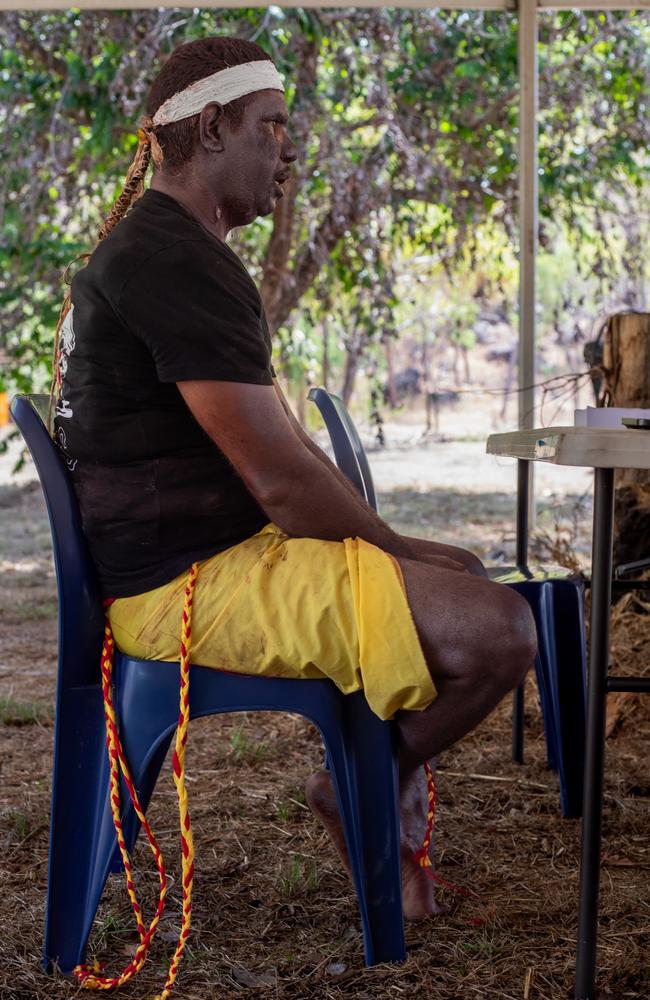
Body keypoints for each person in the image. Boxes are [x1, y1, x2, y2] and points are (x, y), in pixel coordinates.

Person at [53, 35, 536, 922]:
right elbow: (279, 482)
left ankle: (369, 784)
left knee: (461, 580)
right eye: (271, 126)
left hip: (206, 560)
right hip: (184, 586)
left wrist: (403, 553)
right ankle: (356, 781)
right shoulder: (169, 259)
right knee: (501, 630)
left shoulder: (175, 251)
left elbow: (279, 445)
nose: (289, 147)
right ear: (209, 130)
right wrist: (393, 547)